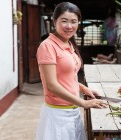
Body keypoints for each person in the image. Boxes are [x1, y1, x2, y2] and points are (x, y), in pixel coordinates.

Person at [36, 2, 107, 140]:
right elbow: (52, 85)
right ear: (54, 21)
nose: (69, 26)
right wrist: (83, 103)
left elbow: (68, 77)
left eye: (74, 21)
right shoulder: (47, 46)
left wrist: (83, 89)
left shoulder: (68, 43)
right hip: (57, 115)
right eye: (64, 21)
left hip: (72, 111)